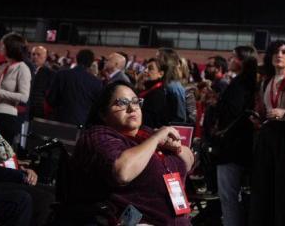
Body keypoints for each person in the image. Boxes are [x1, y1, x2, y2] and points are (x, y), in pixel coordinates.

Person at [69, 81, 194, 225]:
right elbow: (122, 172)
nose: (131, 108)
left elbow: (188, 161)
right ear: (103, 114)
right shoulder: (98, 136)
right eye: (122, 103)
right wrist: (156, 139)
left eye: (136, 102)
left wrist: (176, 147)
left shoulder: (146, 133)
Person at [249, 40, 285, 225]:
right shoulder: (266, 81)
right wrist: (259, 117)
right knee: (264, 185)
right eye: (275, 52)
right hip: (268, 135)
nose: (279, 55)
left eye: (284, 52)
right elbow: (264, 109)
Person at [214, 46, 258, 226]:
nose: (230, 59)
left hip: (232, 148)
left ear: (241, 61)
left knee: (228, 197)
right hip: (241, 147)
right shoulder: (247, 82)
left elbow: (232, 113)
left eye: (233, 57)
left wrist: (216, 107)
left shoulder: (239, 85)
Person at [0, 32, 31, 146]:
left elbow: (24, 97)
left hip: (6, 117)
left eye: (3, 45)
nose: (1, 47)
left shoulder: (22, 68)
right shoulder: (4, 66)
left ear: (11, 48)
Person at [46, 49, 103, 126]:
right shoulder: (97, 82)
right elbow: (97, 108)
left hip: (59, 121)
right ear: (91, 63)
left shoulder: (61, 74)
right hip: (82, 124)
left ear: (76, 59)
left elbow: (50, 99)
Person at [28, 45, 56, 120]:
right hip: (24, 107)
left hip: (39, 111)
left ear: (45, 57)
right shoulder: (25, 69)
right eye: (33, 54)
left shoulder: (50, 74)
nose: (35, 57)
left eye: (38, 54)